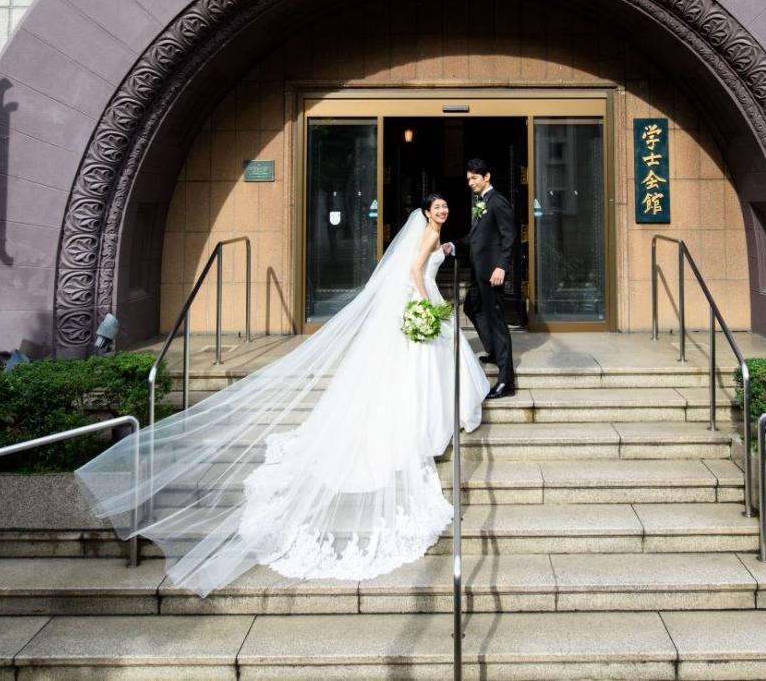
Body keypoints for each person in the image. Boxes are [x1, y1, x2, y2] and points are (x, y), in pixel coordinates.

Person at [75, 194, 489, 594]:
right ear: (426, 212)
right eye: (438, 207)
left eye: (445, 208)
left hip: (416, 301)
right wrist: (423, 303)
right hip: (419, 298)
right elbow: (416, 272)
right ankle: (426, 418)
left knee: (416, 364)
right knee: (423, 361)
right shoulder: (428, 235)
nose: (443, 211)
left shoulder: (433, 234)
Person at [454, 158, 517, 398]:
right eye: (468, 179)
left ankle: (506, 381)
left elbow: (509, 237)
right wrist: (452, 245)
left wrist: (502, 266)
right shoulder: (482, 202)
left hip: (492, 273)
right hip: (478, 272)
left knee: (498, 322)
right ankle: (492, 349)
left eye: (474, 178)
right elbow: (474, 237)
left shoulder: (497, 202)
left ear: (486, 177)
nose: (470, 183)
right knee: (471, 305)